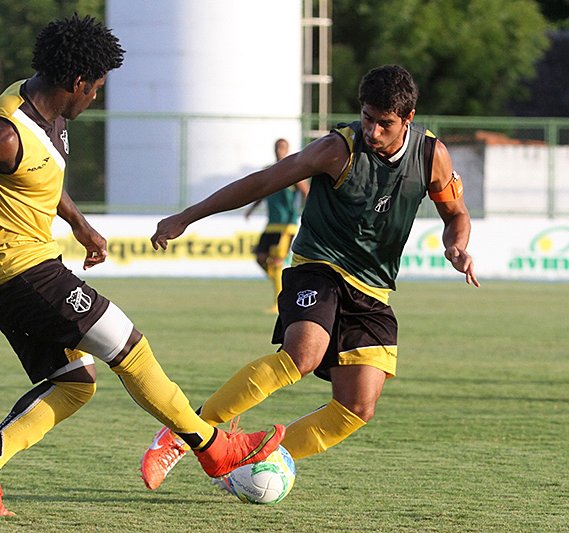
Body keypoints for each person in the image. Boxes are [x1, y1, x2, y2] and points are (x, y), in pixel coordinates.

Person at [0, 14, 284, 516]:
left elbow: (37, 176)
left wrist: (79, 225)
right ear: (77, 83)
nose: (97, 98)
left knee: (74, 385)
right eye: (97, 88)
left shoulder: (50, 116)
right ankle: (214, 448)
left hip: (6, 278)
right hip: (18, 272)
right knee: (128, 346)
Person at [139, 65, 479, 491]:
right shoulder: (337, 149)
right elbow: (262, 182)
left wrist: (457, 245)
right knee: (304, 355)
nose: (372, 130)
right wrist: (187, 216)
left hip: (373, 287)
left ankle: (246, 461)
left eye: (384, 123)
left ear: (408, 119)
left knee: (357, 406)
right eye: (367, 117)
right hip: (319, 265)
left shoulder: (432, 156)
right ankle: (183, 433)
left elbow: (456, 214)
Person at [244, 138, 309, 313]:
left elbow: (306, 191)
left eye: (282, 148)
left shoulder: (293, 170)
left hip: (286, 225)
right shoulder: (270, 170)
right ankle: (284, 286)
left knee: (277, 261)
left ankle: (279, 303)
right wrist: (251, 209)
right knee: (260, 257)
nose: (279, 151)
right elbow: (261, 191)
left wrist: (306, 211)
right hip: (271, 224)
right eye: (277, 148)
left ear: (287, 150)